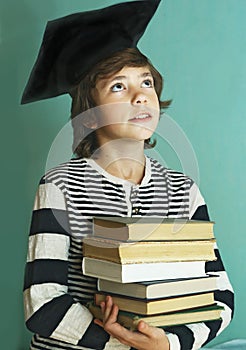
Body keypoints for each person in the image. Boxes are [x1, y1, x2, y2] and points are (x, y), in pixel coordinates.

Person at [22, 1, 234, 349]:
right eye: (118, 87)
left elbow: (220, 295)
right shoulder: (60, 186)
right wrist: (127, 346)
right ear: (89, 117)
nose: (140, 96)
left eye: (146, 82)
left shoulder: (184, 190)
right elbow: (43, 303)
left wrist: (168, 345)